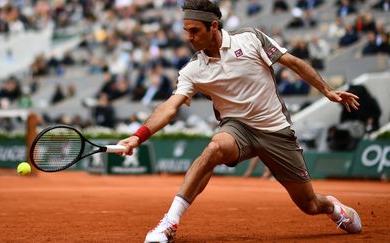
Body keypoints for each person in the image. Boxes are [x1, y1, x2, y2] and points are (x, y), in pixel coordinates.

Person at [118, 1, 362, 242]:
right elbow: (170, 108)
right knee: (214, 148)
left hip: (275, 130)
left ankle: (332, 207)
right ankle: (170, 222)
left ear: (213, 26)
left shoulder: (250, 39)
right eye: (186, 31)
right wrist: (138, 136)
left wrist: (327, 91)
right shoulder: (192, 70)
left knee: (309, 204)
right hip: (237, 129)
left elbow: (294, 63)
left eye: (195, 31)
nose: (189, 37)